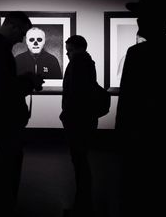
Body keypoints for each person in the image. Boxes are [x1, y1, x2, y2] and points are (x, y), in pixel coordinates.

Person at [0, 11, 44, 215]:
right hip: (2, 128)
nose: (23, 38)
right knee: (2, 182)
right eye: (22, 32)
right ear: (12, 26)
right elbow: (2, 90)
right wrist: (29, 81)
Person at [115, 0, 166, 217]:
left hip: (140, 138)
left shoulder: (137, 53)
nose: (138, 21)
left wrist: (121, 137)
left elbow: (128, 101)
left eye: (142, 16)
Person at [60, 35, 98, 217]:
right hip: (84, 118)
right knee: (80, 159)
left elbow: (75, 93)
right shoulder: (88, 63)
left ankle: (82, 203)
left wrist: (65, 113)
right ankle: (83, 201)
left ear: (78, 48)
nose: (67, 54)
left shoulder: (78, 63)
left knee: (79, 159)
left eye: (70, 50)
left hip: (77, 120)